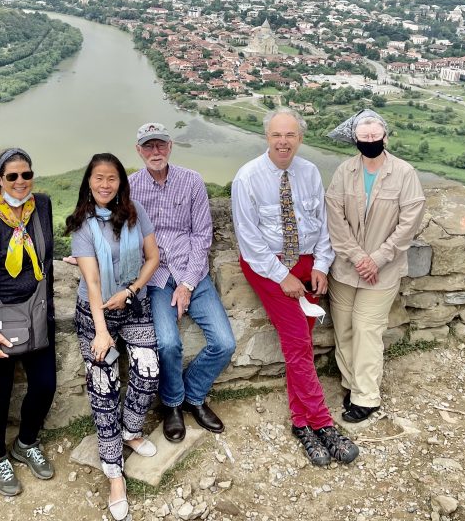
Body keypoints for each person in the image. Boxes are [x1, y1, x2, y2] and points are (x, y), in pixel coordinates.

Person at [231, 109, 359, 468]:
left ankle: (301, 422)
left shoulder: (310, 172)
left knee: (300, 343)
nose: (283, 142)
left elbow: (322, 225)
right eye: (277, 135)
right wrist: (281, 276)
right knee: (299, 342)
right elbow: (249, 241)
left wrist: (321, 265)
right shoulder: (247, 178)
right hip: (266, 265)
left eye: (290, 135)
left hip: (305, 261)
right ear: (266, 137)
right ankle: (322, 422)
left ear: (300, 138)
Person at [66, 153, 161, 521]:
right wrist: (102, 331)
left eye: (112, 178)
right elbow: (92, 281)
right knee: (103, 388)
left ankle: (130, 431)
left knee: (148, 371)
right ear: (89, 182)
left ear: (121, 181)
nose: (105, 185)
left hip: (133, 303)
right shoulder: (83, 223)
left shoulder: (134, 212)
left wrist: (131, 291)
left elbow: (152, 257)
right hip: (96, 313)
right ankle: (114, 473)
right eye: (98, 178)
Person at [129, 122, 235, 442]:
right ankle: (173, 403)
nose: (155, 151)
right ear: (139, 151)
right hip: (157, 277)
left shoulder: (192, 181)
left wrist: (187, 284)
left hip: (193, 273)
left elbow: (202, 235)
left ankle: (193, 394)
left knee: (224, 343)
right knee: (167, 343)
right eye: (149, 146)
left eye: (160, 144)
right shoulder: (130, 187)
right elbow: (121, 233)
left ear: (170, 146)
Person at [325, 112, 426, 423]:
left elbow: (409, 222)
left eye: (375, 136)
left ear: (385, 137)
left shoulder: (404, 173)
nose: (370, 141)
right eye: (364, 137)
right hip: (346, 267)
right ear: (355, 140)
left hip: (382, 271)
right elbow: (334, 216)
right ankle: (351, 384)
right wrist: (358, 257)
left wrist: (377, 259)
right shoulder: (344, 171)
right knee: (344, 328)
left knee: (367, 328)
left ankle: (366, 396)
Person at [0, 148, 57, 496]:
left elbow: (47, 263)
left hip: (36, 315)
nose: (21, 182)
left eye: (26, 174)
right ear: (0, 180)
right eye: (12, 176)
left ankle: (26, 442)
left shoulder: (42, 206)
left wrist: (48, 311)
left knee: (45, 385)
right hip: (0, 320)